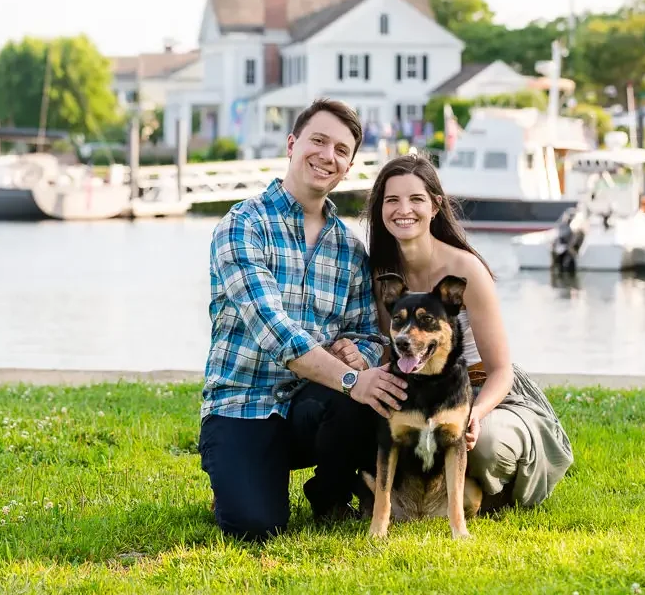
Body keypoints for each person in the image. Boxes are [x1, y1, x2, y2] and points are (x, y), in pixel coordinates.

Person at [199, 98, 407, 542]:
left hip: (313, 403)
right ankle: (236, 476)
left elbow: (368, 334)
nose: (327, 156)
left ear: (348, 167)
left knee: (362, 398)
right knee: (257, 526)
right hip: (243, 404)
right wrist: (351, 378)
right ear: (292, 144)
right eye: (318, 141)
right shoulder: (243, 225)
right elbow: (274, 331)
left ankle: (330, 496)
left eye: (341, 150)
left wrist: (359, 355)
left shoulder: (349, 248)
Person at [361, 152, 574, 510]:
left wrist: (475, 413)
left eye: (416, 199)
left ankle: (491, 495)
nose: (403, 209)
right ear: (380, 208)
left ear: (435, 206)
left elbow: (501, 371)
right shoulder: (383, 274)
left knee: (484, 443)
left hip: (484, 388)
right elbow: (390, 353)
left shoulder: (467, 270)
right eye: (392, 199)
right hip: (420, 390)